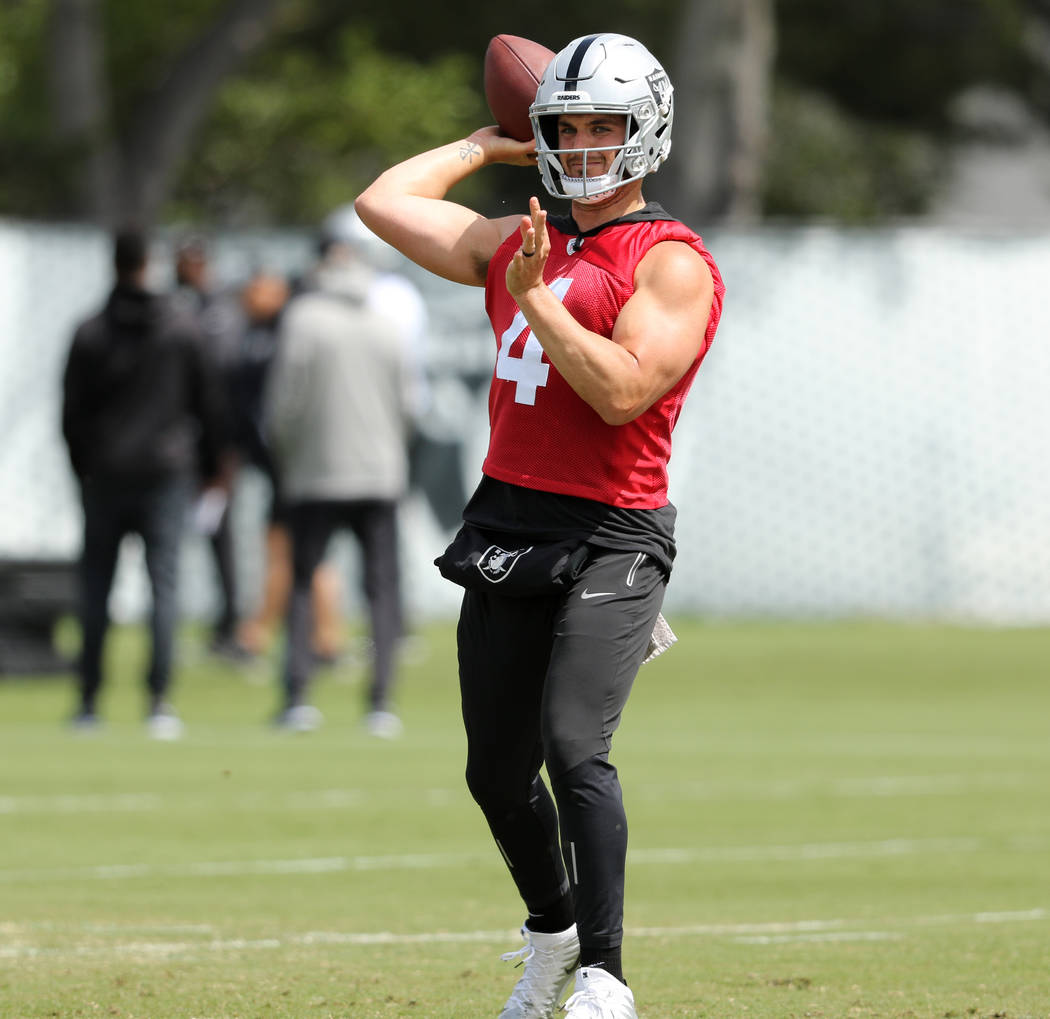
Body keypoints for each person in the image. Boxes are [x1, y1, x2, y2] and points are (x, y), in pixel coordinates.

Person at [355, 32, 724, 1019]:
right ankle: (552, 931)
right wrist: (486, 146)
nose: (588, 142)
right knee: (494, 773)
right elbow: (381, 204)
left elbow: (622, 392)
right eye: (568, 124)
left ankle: (605, 972)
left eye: (606, 123)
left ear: (645, 129)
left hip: (613, 527)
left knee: (574, 743)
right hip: (509, 514)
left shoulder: (672, 260)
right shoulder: (521, 234)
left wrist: (534, 303)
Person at [61, 229, 230, 739]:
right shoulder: (181, 327)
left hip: (105, 474)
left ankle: (89, 699)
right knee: (164, 587)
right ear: (149, 264)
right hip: (166, 472)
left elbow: (70, 414)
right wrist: (210, 469)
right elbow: (209, 404)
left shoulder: (90, 330)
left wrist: (82, 467)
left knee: (96, 588)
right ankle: (158, 699)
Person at [264, 210, 425, 736]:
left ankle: (298, 694)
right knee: (381, 588)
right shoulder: (386, 322)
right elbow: (408, 405)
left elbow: (282, 409)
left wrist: (289, 458)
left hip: (316, 473)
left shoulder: (303, 318)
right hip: (380, 474)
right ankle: (381, 700)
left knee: (305, 580)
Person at [170, 234, 245, 658]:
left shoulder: (219, 311)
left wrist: (226, 450)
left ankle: (228, 623)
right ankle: (169, 620)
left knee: (221, 535)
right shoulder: (171, 307)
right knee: (168, 537)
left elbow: (223, 379)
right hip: (175, 439)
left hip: (214, 440)